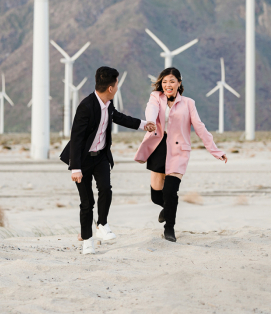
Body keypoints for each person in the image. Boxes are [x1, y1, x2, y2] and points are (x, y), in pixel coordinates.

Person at [60, 66, 156, 255]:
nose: (118, 87)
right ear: (111, 88)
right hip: (83, 160)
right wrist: (75, 168)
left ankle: (102, 224)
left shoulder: (108, 104)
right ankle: (87, 240)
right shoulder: (86, 106)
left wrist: (143, 124)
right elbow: (77, 138)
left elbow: (118, 117)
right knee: (87, 202)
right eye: (117, 84)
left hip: (101, 156)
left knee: (105, 189)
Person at [134, 67, 227, 242]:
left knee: (170, 191)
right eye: (165, 82)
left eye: (172, 81)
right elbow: (151, 110)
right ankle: (168, 208)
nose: (168, 85)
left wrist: (215, 150)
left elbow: (199, 127)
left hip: (178, 150)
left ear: (179, 83)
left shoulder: (188, 103)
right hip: (159, 147)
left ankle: (169, 228)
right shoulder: (156, 97)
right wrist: (151, 122)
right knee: (156, 196)